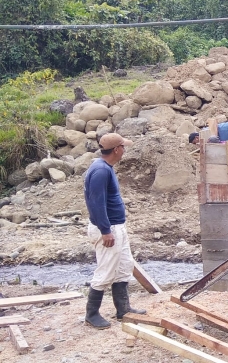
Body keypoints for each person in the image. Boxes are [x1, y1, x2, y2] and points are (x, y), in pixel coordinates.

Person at [83, 133, 146, 329]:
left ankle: (123, 309)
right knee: (106, 271)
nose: (124, 150)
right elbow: (96, 203)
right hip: (109, 228)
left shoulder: (103, 167)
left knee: (123, 266)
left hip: (116, 226)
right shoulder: (101, 171)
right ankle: (91, 314)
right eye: (123, 147)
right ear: (117, 149)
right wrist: (105, 230)